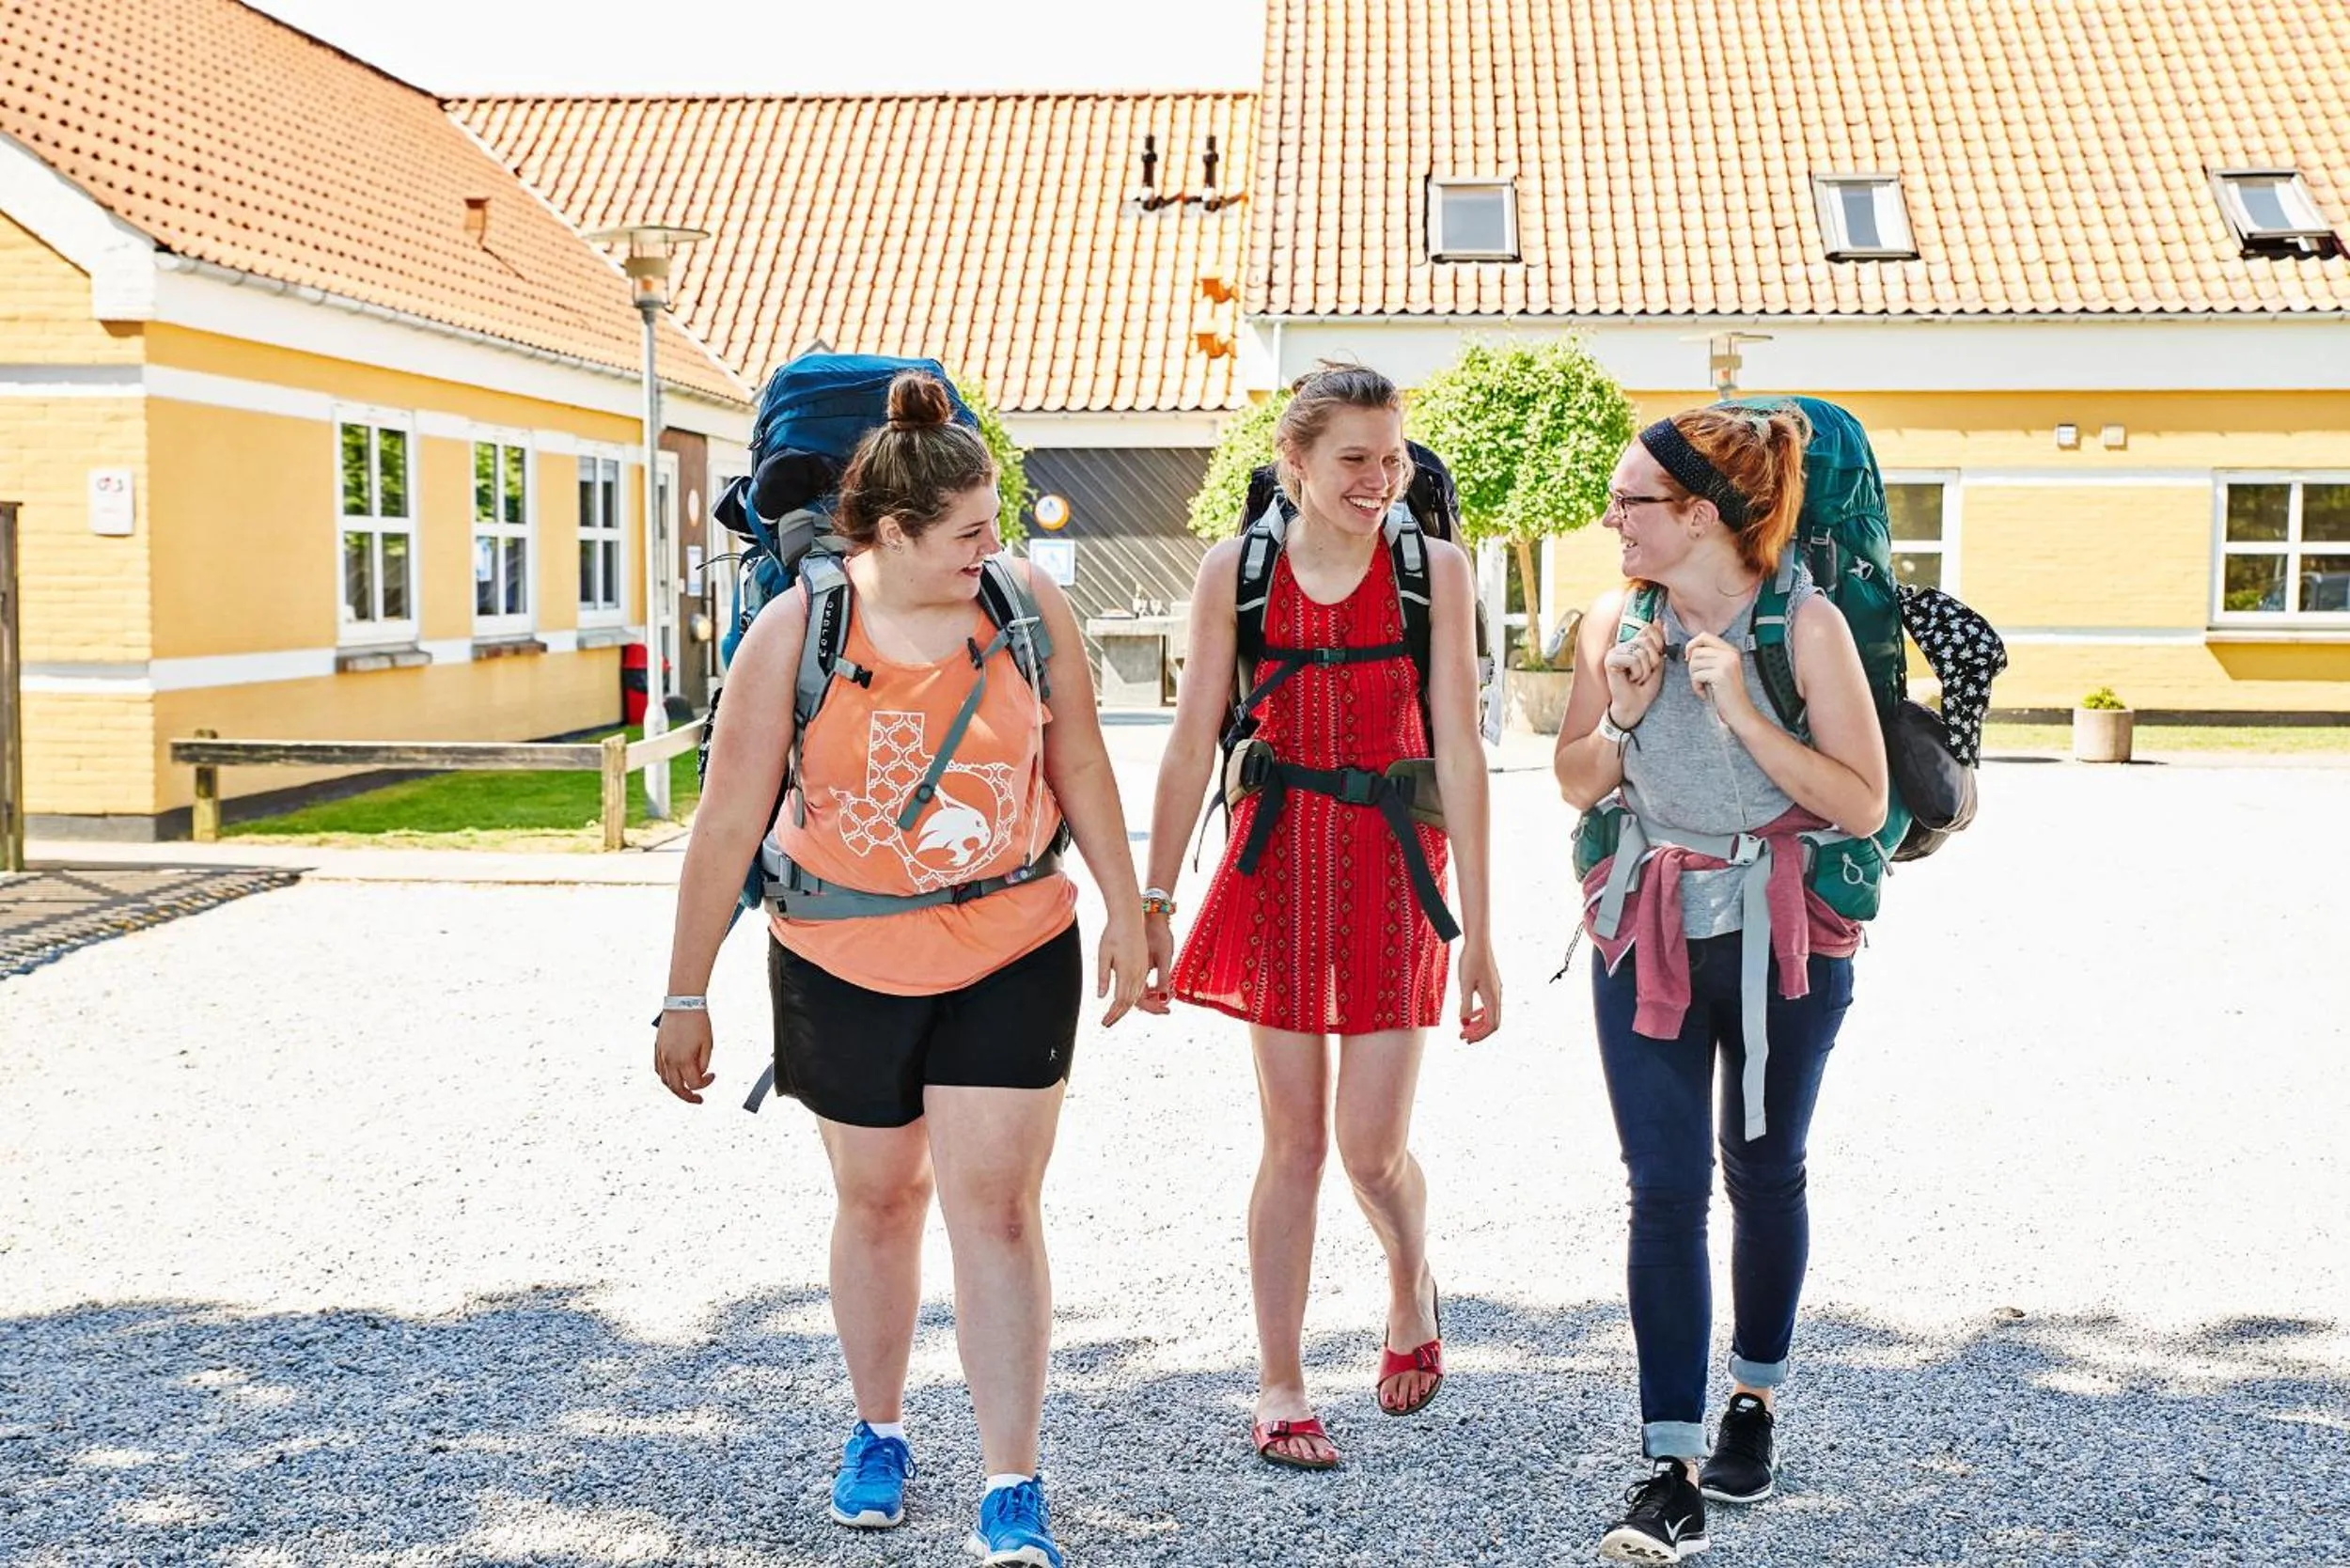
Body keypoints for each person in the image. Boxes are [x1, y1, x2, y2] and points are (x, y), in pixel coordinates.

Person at [653, 370, 1149, 1568]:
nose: (995, 547)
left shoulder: (1025, 609)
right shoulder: (799, 631)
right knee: (879, 1200)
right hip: (840, 955)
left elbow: (1079, 763)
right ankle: (877, 1431)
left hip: (1013, 944)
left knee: (998, 1208)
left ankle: (1011, 1481)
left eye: (995, 524)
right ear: (886, 535)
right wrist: (683, 990)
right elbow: (727, 822)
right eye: (969, 532)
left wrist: (1131, 914)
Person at [1140, 363, 1501, 1471]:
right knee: (1291, 1143)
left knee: (1370, 1149)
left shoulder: (1433, 570)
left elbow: (1462, 751)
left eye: (1391, 457)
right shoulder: (1233, 573)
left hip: (1397, 866)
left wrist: (1480, 932)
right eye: (1353, 458)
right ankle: (1281, 1382)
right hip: (1281, 860)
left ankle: (1408, 1283)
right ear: (1292, 460)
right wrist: (1152, 901)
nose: (1378, 478)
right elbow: (1191, 736)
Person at [1554, 405, 1887, 1562]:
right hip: (1642, 921)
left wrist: (1741, 709)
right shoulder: (1614, 620)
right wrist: (1627, 716)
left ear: (1697, 515)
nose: (1613, 522)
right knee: (1661, 1186)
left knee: (1763, 1166)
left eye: (1631, 503)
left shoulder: (1806, 625)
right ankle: (1668, 1463)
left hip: (1781, 932)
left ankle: (1754, 1393)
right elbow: (1574, 776)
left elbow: (1860, 804)